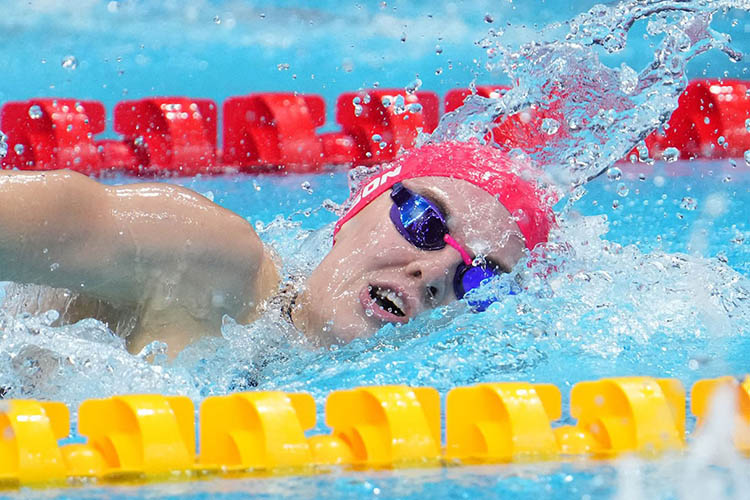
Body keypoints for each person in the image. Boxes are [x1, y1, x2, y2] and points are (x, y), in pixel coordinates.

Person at [0, 140, 556, 357]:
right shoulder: (201, 256)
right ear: (356, 208)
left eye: (480, 278)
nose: (434, 271)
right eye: (426, 221)